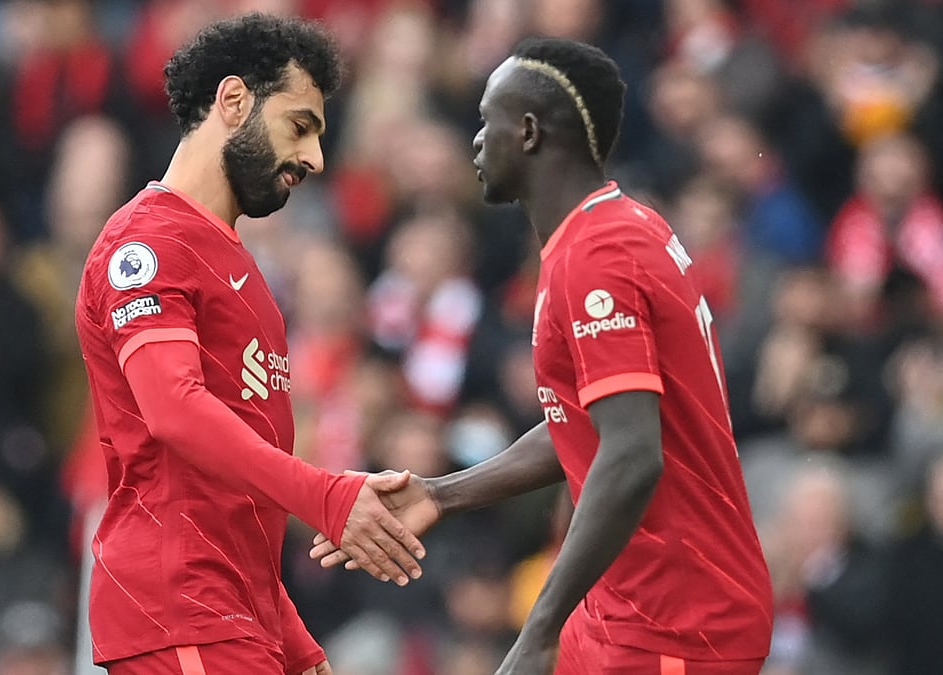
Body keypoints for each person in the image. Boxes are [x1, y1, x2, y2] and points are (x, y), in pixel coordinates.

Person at [312, 37, 773, 674]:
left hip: (677, 621)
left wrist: (538, 630)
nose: (476, 141)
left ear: (528, 132)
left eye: (487, 121)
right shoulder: (613, 229)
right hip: (626, 604)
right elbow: (585, 425)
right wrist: (442, 494)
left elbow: (632, 454)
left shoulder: (598, 255)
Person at [74, 14, 426, 675]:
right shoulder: (147, 244)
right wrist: (327, 497)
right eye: (300, 126)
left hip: (231, 614)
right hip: (181, 608)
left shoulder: (235, 262)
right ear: (233, 101)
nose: (315, 159)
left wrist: (286, 630)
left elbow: (229, 492)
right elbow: (174, 411)